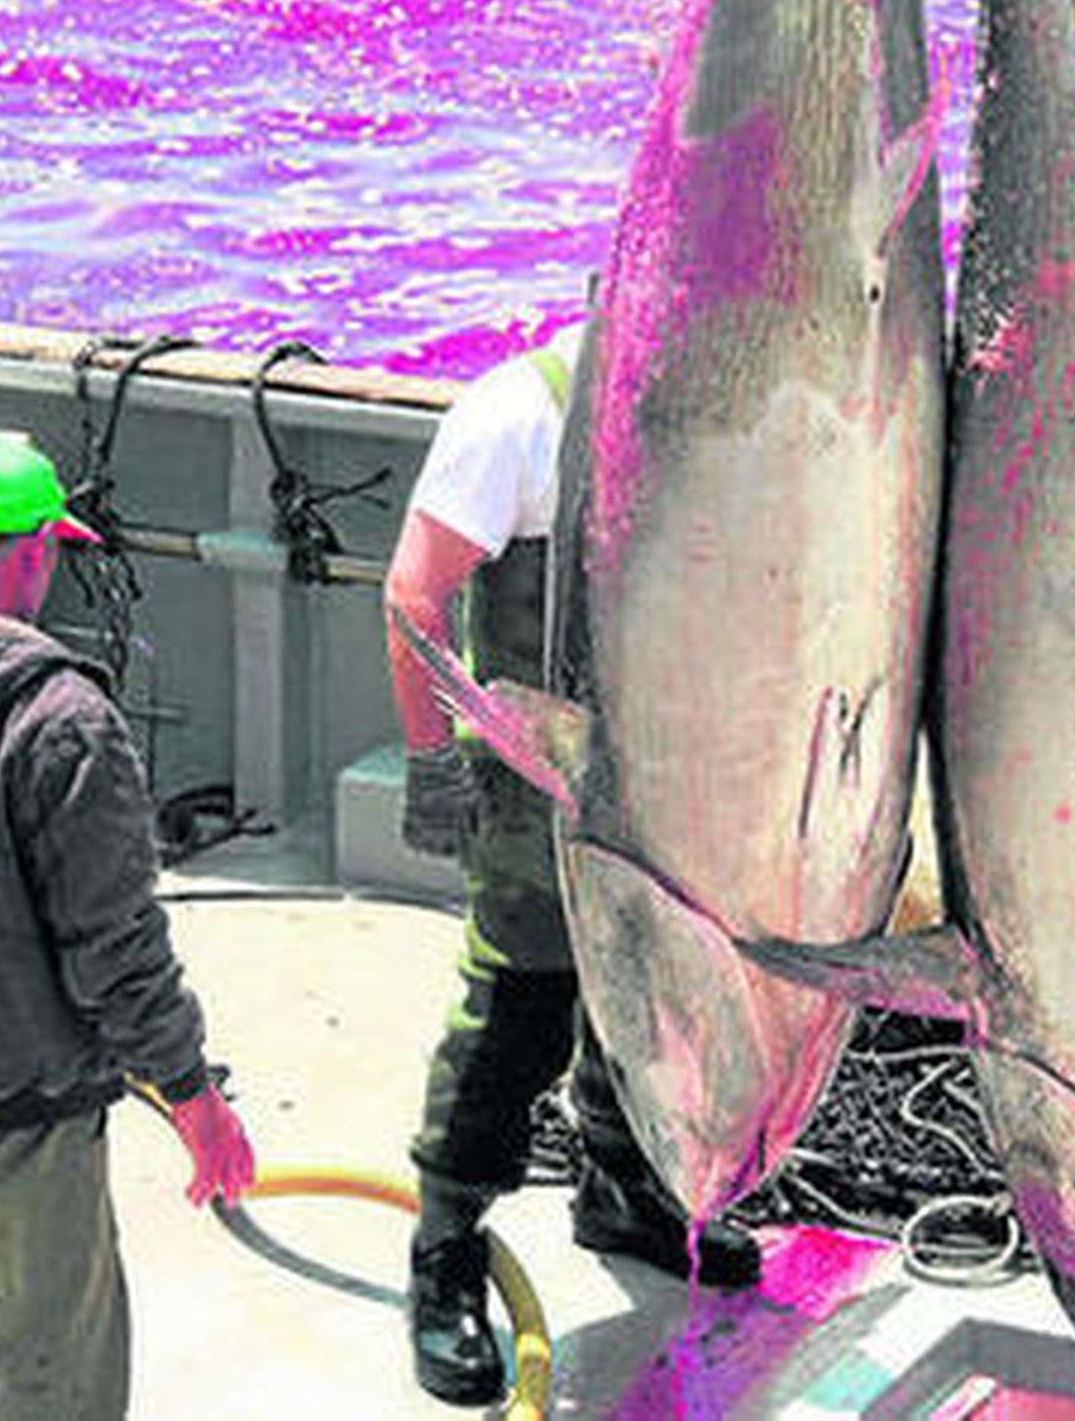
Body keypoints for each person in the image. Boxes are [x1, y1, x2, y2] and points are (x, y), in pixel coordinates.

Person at [384, 321, 760, 1408]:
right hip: (538, 777)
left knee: (647, 993)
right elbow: (414, 593)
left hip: (671, 773)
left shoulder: (717, 396)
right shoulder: (521, 411)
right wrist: (430, 760)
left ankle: (625, 1186)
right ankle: (446, 1250)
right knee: (519, 1007)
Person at [0, 430, 255, 1421]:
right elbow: (117, 951)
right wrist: (193, 1095)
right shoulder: (61, 718)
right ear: (37, 551)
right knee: (55, 1378)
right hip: (23, 1105)